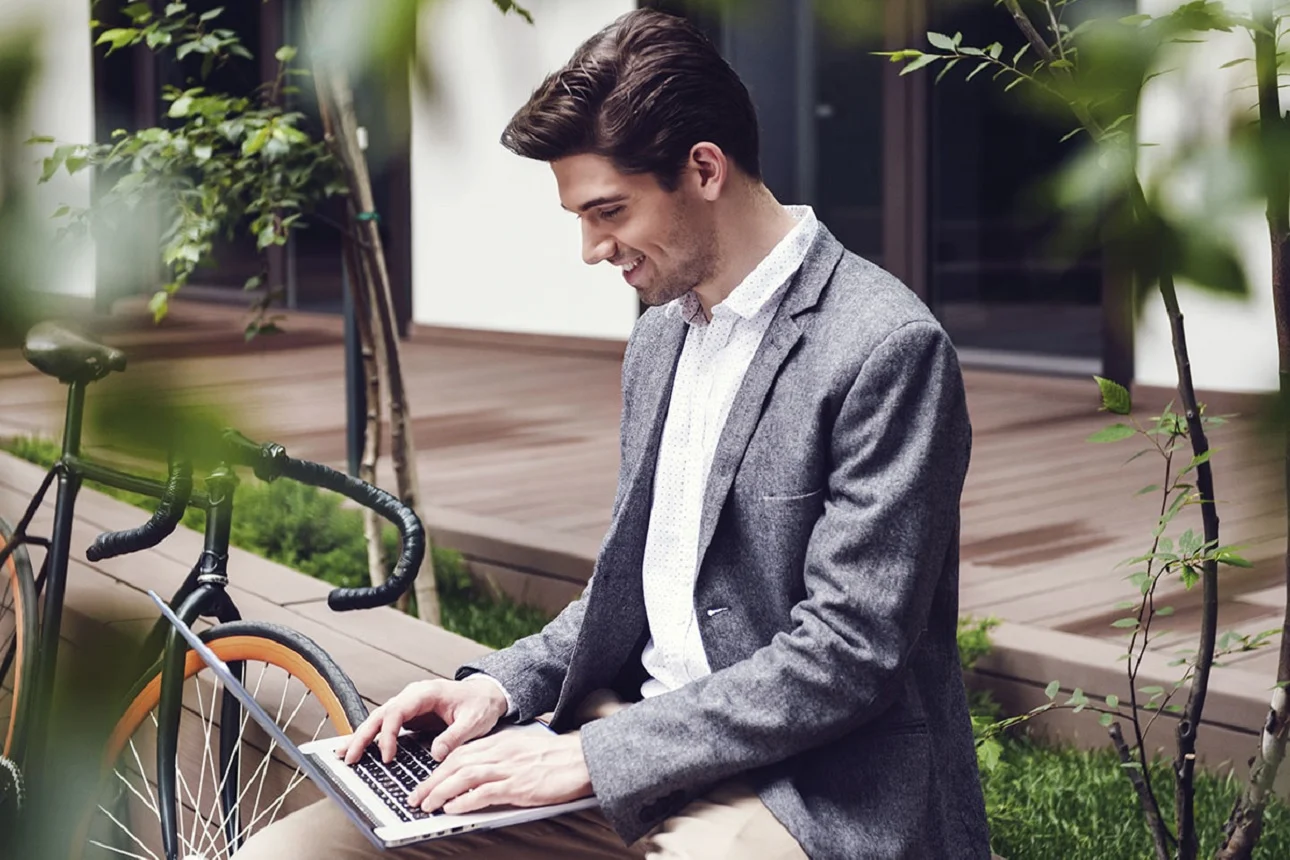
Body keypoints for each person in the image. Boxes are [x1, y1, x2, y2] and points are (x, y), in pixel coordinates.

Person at [238, 8, 990, 859]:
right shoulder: (662, 333)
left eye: (609, 212)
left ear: (704, 168)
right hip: (623, 733)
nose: (594, 250)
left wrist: (591, 759)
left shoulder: (885, 346)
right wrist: (497, 687)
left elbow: (848, 654)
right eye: (581, 220)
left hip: (803, 784)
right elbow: (635, 581)